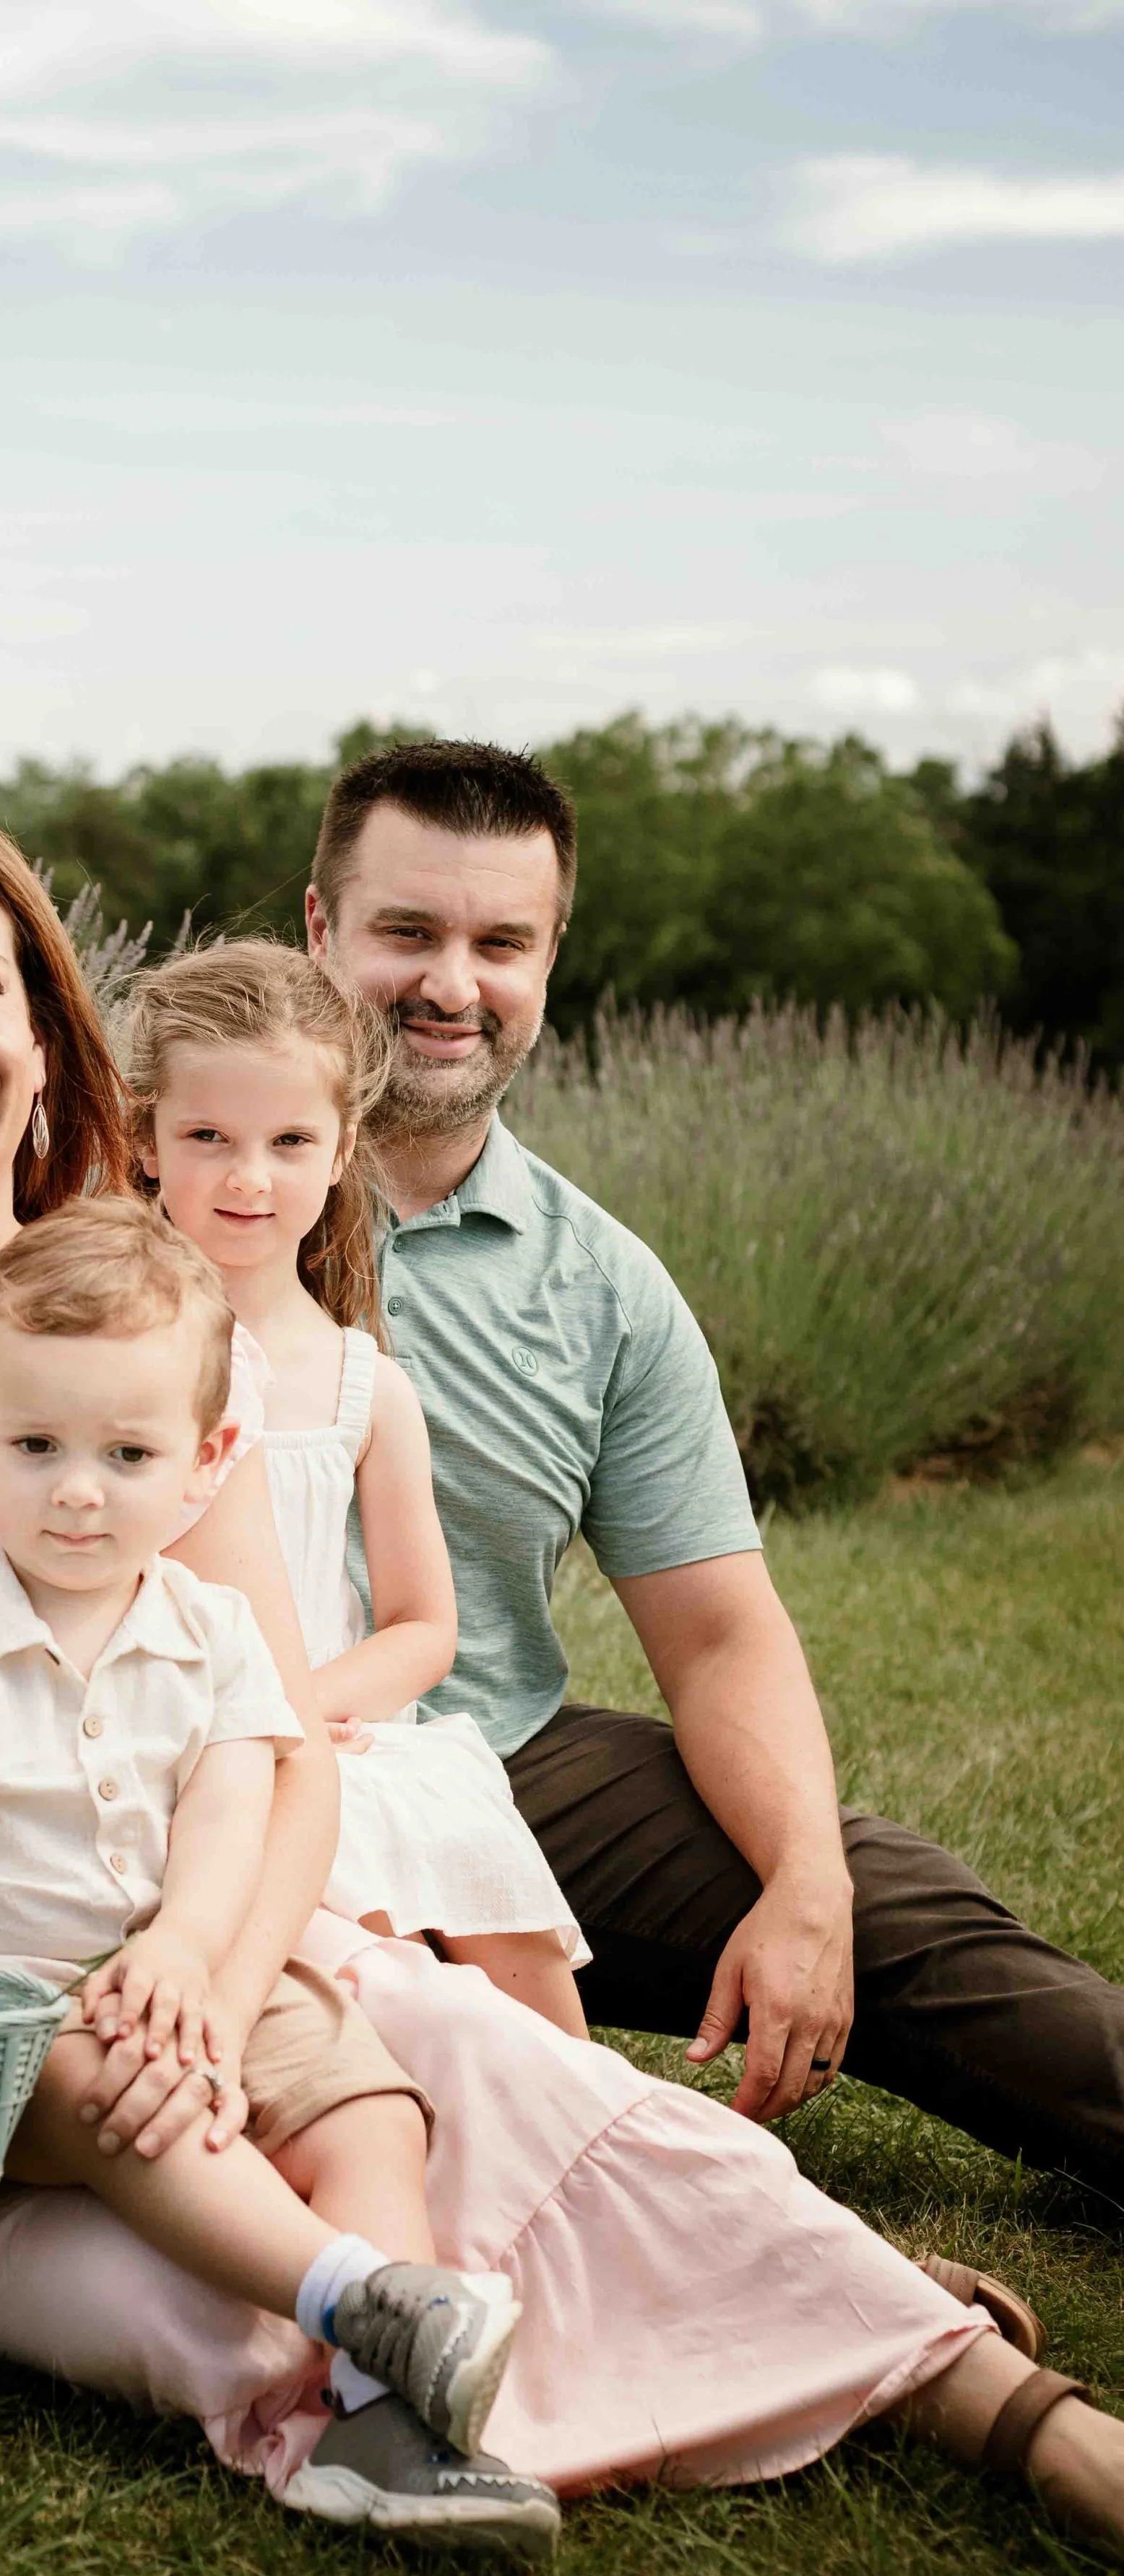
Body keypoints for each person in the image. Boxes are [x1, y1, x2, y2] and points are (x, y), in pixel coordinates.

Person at [0, 798, 1124, 2561]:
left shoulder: (138, 1324)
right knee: (191, 2274)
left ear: (47, 1045)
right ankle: (409, 2397)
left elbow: (275, 1748)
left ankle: (993, 2404)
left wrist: (208, 1967)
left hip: (180, 1936)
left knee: (473, 2076)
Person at [305, 735, 1124, 2193]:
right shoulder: (145, 1186)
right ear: (319, 931)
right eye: (406, 933)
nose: (450, 985)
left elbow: (719, 1629)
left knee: (880, 1898)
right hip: (204, 1773)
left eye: (499, 943)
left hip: (485, 1766)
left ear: (549, 961)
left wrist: (804, 1887)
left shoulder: (601, 1286)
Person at [0, 1197, 555, 2550]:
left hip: (175, 1968)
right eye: (37, 1444)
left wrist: (188, 1951)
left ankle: (378, 2418)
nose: (76, 1487)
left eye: (127, 1452)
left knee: (371, 2106)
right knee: (120, 2092)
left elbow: (238, 1800)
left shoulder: (213, 1628)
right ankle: (370, 2300)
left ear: (205, 1461)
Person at [123, 937, 588, 2037]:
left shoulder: (360, 1384)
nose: (249, 1176)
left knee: (439, 1805)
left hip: (329, 1719)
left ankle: (589, 2102)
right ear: (145, 1138)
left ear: (342, 1151)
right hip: (166, 1728)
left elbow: (427, 1628)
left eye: (289, 1141)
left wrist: (307, 1706)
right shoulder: (108, 1355)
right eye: (207, 1138)